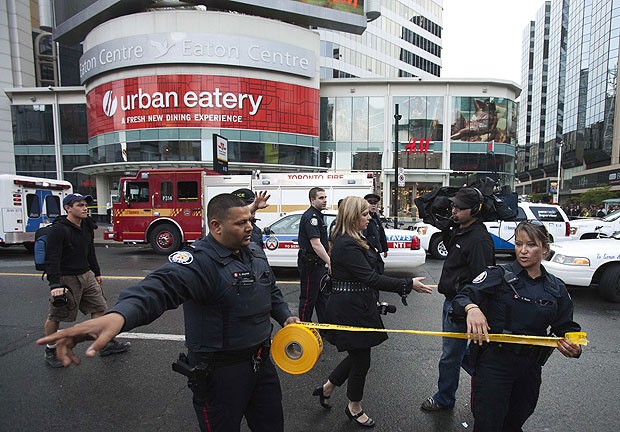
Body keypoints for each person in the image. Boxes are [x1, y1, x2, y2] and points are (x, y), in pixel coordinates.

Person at [37, 193, 300, 432]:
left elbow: (271, 290)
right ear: (216, 227)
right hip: (221, 375)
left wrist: (285, 316)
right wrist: (118, 316)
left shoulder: (253, 250)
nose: (250, 227)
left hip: (262, 364)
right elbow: (160, 287)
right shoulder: (199, 261)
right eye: (241, 223)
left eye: (250, 220)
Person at [312, 196, 432, 428]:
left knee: (358, 354)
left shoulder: (354, 238)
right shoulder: (347, 243)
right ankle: (354, 407)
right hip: (349, 309)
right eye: (365, 214)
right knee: (361, 359)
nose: (370, 217)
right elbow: (370, 277)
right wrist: (408, 284)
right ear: (353, 216)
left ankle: (327, 388)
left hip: (357, 304)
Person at [451, 221, 582, 431]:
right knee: (488, 423)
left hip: (530, 368)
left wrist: (574, 345)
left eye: (531, 245)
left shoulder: (555, 287)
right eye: (519, 244)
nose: (523, 251)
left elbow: (566, 326)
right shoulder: (497, 275)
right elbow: (463, 296)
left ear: (545, 249)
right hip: (495, 364)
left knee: (516, 421)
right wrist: (471, 308)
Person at [421, 187, 495, 411]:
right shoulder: (458, 229)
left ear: (475, 210)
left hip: (462, 306)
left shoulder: (479, 239)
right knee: (459, 353)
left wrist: (471, 307)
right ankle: (492, 384)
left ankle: (444, 398)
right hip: (452, 302)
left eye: (459, 207)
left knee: (450, 356)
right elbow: (424, 204)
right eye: (453, 205)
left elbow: (483, 280)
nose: (453, 210)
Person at [43, 193, 130, 368]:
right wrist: (55, 285)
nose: (85, 208)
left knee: (99, 308)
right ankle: (50, 349)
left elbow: (90, 251)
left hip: (86, 274)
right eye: (80, 205)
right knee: (57, 315)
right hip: (66, 278)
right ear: (68, 208)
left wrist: (96, 272)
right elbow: (52, 258)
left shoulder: (86, 226)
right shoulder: (59, 229)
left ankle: (104, 344)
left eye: (85, 205)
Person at [297, 187, 330, 322]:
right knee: (308, 298)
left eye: (325, 197)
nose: (324, 200)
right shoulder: (312, 217)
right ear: (312, 200)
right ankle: (304, 328)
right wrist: (330, 262)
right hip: (311, 264)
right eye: (321, 198)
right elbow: (316, 244)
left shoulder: (318, 215)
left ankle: (325, 329)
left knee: (321, 298)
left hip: (318, 264)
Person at [362, 193, 389, 274]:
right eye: (370, 203)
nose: (373, 205)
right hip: (368, 251)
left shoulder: (376, 217)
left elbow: (381, 233)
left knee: (380, 268)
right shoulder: (363, 217)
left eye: (375, 203)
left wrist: (385, 248)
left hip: (375, 250)